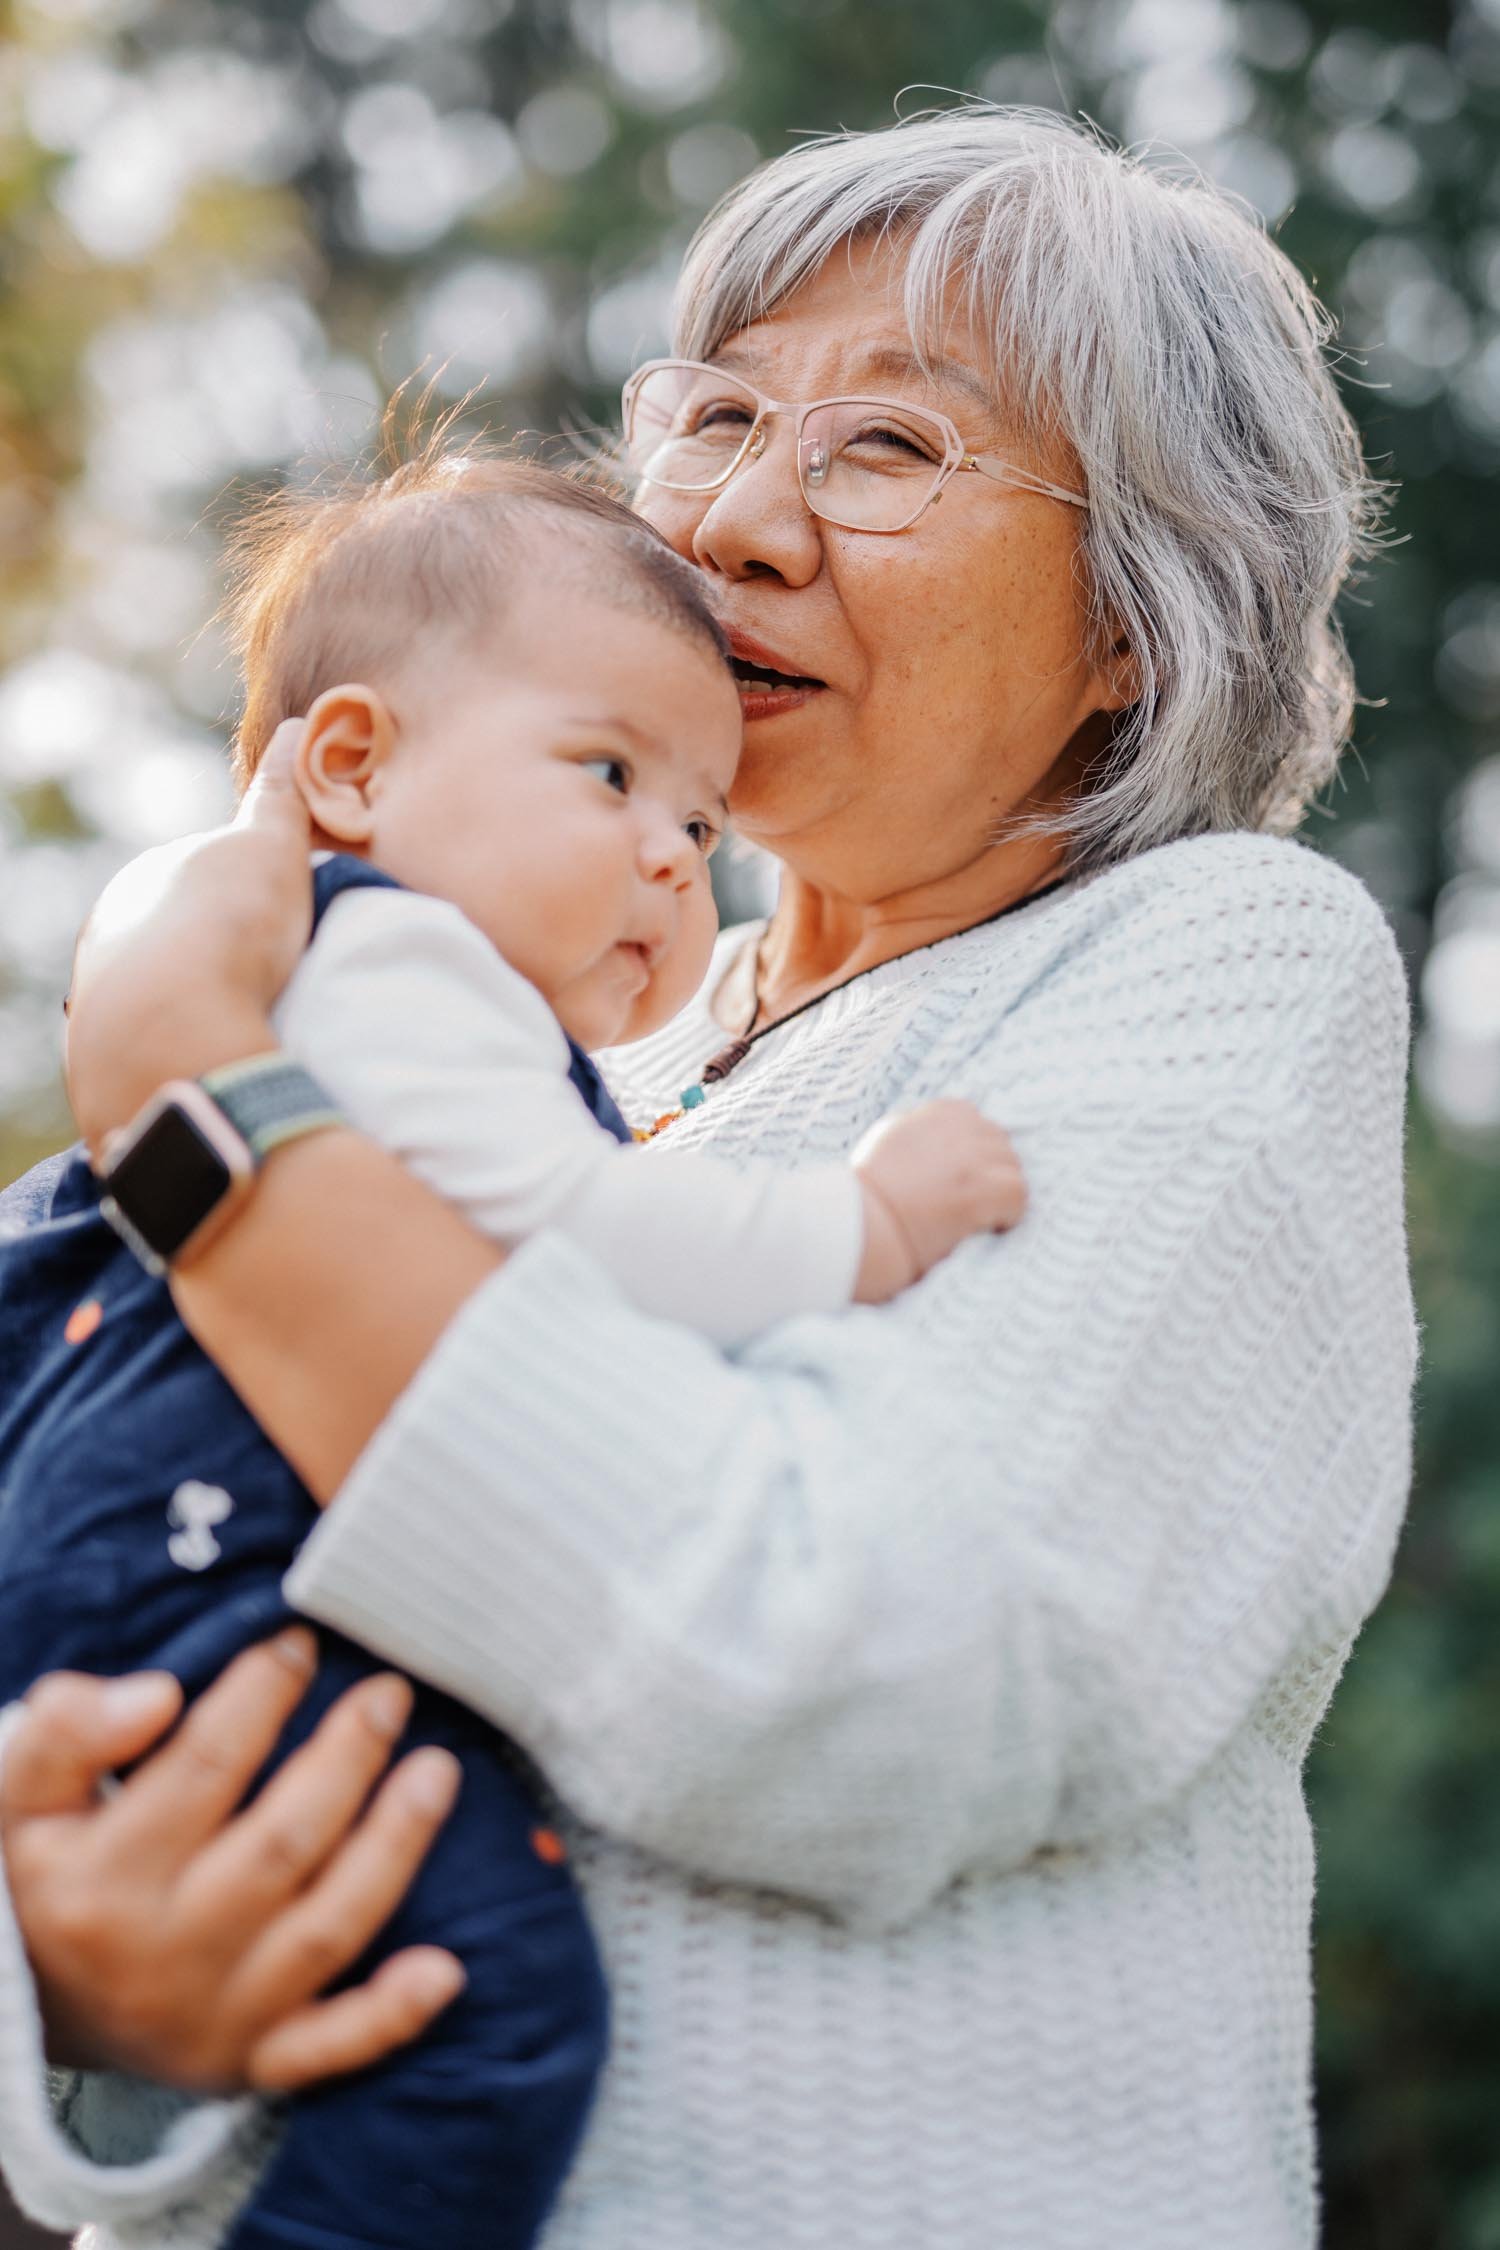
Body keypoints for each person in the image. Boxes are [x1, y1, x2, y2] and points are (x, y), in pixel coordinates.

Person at [0, 103, 1417, 2250]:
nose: (743, 519)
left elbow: (853, 1664)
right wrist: (67, 1971)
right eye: (721, 414)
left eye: (889, 450)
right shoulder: (561, 1038)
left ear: (1134, 617)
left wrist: (199, 1112)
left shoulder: (1209, 963)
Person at [0, 454, 1022, 2250]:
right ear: (352, 767)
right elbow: (591, 1233)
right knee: (489, 2017)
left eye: (705, 826)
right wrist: (864, 1223)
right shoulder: (398, 974)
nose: (665, 850)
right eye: (609, 772)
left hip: (140, 1564)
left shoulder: (327, 981)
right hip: (199, 1569)